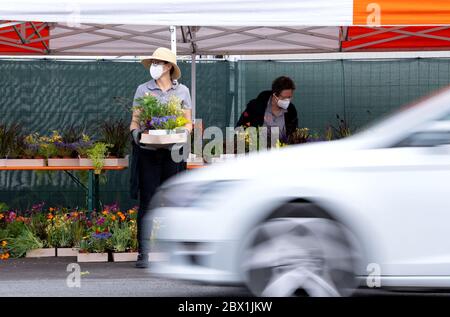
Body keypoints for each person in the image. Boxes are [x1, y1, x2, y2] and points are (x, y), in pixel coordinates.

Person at [129, 47, 192, 268]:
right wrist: (136, 133)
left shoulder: (182, 91)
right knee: (147, 202)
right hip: (149, 152)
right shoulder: (142, 90)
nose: (154, 66)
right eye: (153, 62)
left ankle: (173, 252)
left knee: (172, 201)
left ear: (168, 67)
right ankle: (143, 253)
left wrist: (183, 132)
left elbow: (187, 122)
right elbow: (135, 121)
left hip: (173, 154)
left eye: (158, 62)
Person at [236, 76, 298, 143]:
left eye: (289, 97)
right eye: (284, 98)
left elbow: (293, 134)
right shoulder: (255, 106)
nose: (287, 101)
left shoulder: (291, 111)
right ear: (275, 95)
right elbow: (240, 127)